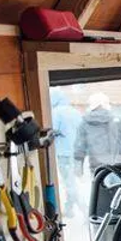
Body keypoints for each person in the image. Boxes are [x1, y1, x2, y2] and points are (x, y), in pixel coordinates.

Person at [74, 92, 121, 176]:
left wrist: (78, 169)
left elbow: (79, 147)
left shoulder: (85, 124)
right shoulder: (119, 121)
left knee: (100, 189)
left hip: (98, 169)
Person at [50, 88, 82, 216]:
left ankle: (85, 210)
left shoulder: (56, 113)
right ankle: (69, 210)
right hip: (76, 154)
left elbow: (52, 132)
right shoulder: (75, 112)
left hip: (63, 154)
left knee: (69, 184)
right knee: (71, 181)